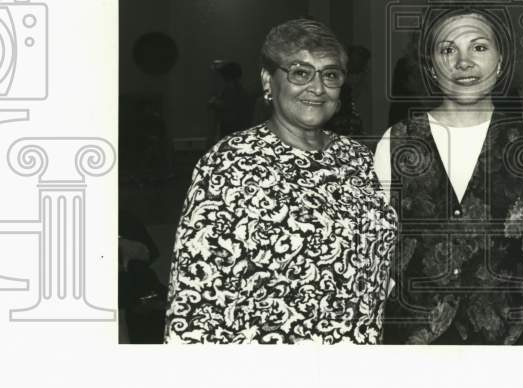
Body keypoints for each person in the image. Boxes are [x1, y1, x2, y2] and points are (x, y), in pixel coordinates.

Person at [164, 18, 397, 344]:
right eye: (300, 72)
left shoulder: (356, 158)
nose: (317, 88)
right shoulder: (229, 162)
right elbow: (193, 304)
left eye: (330, 75)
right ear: (267, 80)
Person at [374, 7, 523, 345]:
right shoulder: (396, 140)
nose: (464, 62)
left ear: (500, 60)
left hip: (507, 338)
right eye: (448, 50)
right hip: (414, 340)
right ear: (430, 66)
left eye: (479, 47)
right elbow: (383, 249)